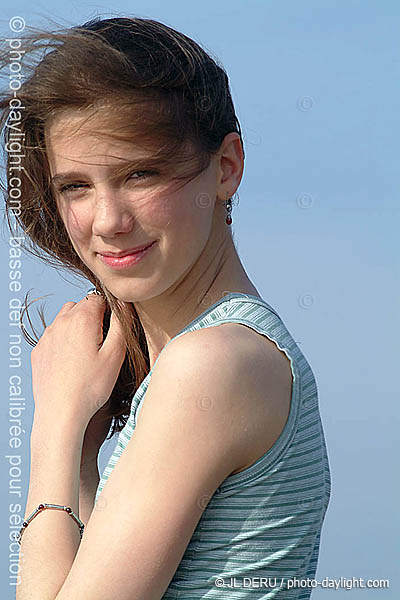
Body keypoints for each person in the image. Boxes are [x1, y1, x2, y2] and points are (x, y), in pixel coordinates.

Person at [0, 16, 331, 599]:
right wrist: (79, 454)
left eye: (140, 174)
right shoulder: (209, 361)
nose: (107, 221)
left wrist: (52, 427)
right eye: (75, 186)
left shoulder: (214, 365)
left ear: (226, 167)